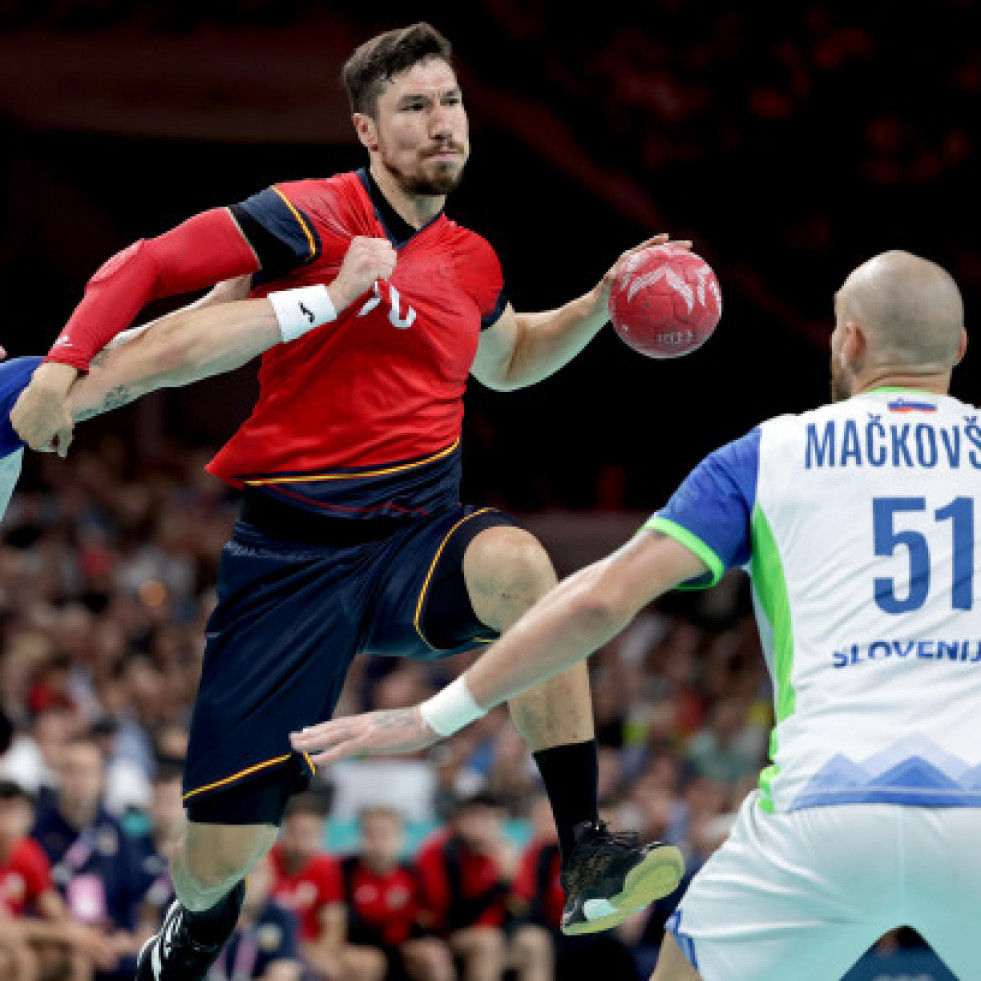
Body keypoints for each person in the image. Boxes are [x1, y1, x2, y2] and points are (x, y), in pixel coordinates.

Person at [10, 21, 684, 979]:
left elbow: (511, 358)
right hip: (289, 561)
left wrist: (598, 303)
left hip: (412, 539)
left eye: (449, 102)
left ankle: (584, 844)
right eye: (414, 107)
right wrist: (67, 363)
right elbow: (150, 262)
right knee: (219, 856)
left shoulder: (471, 259)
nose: (440, 123)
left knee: (521, 567)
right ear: (368, 131)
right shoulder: (309, 215)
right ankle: (195, 925)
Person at [293, 249, 981, 980]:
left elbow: (598, 599)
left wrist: (435, 715)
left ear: (847, 339)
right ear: (959, 348)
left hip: (824, 811)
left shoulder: (767, 456)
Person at [337, 804, 453, 981]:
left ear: (400, 838)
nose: (378, 842)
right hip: (360, 946)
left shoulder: (414, 875)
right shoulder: (344, 872)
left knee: (434, 956)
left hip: (404, 947)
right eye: (371, 834)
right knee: (365, 963)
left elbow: (428, 921)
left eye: (385, 834)